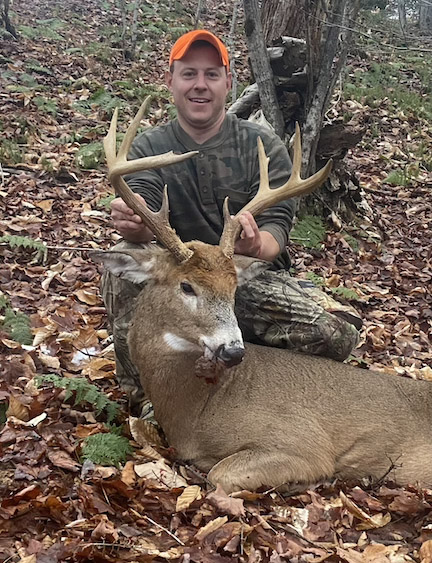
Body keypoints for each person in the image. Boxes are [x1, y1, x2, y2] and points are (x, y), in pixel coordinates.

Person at [101, 30, 362, 416]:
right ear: (170, 81)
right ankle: (147, 395)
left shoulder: (262, 146)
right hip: (182, 283)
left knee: (335, 334)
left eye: (211, 74)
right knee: (124, 259)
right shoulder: (148, 149)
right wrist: (136, 223)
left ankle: (254, 378)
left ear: (228, 82)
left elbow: (276, 225)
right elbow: (143, 204)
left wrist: (256, 246)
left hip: (241, 278)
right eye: (189, 74)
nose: (200, 85)